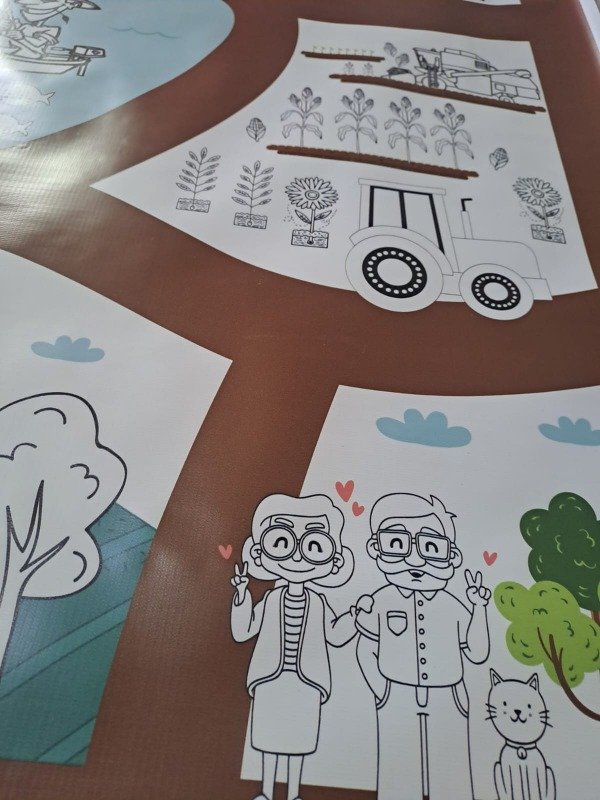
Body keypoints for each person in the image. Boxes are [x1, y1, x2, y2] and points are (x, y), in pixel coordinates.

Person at [354, 492, 491, 800]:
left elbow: (477, 652)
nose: (415, 560)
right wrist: (383, 689)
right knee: (397, 775)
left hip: (448, 697)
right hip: (395, 694)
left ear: (452, 556)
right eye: (397, 543)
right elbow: (366, 646)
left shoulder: (453, 605)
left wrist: (479, 608)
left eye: (430, 547)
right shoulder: (381, 599)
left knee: (451, 774)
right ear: (376, 548)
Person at [231, 493, 357, 800]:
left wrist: (354, 617)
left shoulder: (319, 602)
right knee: (267, 738)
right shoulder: (271, 598)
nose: (298, 557)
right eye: (282, 542)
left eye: (314, 546)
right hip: (270, 679)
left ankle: (293, 794)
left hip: (307, 682)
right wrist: (242, 595)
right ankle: (265, 791)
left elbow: (334, 635)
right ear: (260, 553)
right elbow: (243, 630)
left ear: (334, 559)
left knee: (299, 741)